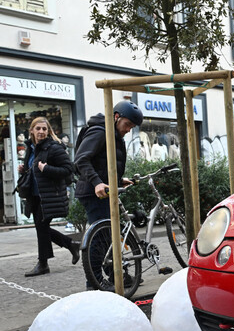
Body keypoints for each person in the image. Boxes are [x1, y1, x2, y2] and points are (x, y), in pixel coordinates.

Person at [18, 117, 80, 277]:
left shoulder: (53, 148)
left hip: (49, 196)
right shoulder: (31, 148)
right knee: (41, 227)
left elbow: (69, 169)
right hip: (35, 195)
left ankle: (43, 263)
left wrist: (47, 169)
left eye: (44, 129)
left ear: (48, 131)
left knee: (41, 227)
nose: (41, 132)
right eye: (37, 128)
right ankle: (70, 244)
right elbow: (34, 170)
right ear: (31, 130)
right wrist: (23, 170)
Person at [74, 100, 144, 224]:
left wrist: (118, 180)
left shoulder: (115, 135)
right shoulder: (100, 132)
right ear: (117, 117)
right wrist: (97, 183)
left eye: (132, 127)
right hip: (94, 192)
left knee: (108, 235)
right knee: (101, 237)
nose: (128, 130)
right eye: (127, 124)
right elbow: (81, 159)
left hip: (104, 190)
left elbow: (102, 163)